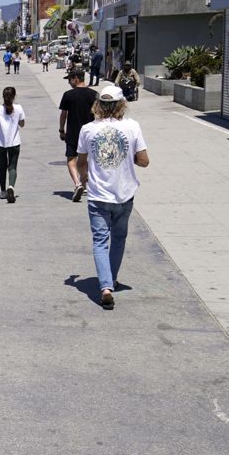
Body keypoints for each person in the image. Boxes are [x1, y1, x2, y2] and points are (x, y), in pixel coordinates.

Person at [76, 85, 150, 310]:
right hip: (124, 194)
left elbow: (81, 161)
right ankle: (112, 279)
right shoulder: (132, 126)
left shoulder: (87, 129)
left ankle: (105, 287)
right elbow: (144, 161)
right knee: (118, 239)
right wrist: (127, 157)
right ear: (121, 105)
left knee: (100, 241)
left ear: (98, 105)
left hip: (98, 194)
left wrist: (84, 177)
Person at [58, 69, 98, 202]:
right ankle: (85, 184)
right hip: (91, 132)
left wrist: (61, 130)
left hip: (73, 132)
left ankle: (77, 183)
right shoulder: (94, 94)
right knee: (88, 159)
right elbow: (99, 113)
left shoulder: (68, 95)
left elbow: (64, 114)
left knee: (71, 158)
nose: (69, 82)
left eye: (70, 79)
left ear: (76, 78)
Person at [0, 87, 26, 204]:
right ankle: (11, 187)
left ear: (3, 96)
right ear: (14, 96)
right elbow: (22, 124)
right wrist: (17, 119)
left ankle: (3, 191)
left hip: (1, 144)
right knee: (12, 167)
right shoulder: (19, 108)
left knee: (2, 166)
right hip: (14, 142)